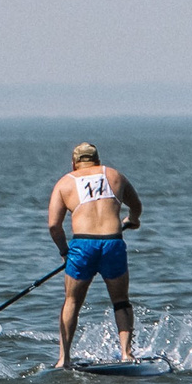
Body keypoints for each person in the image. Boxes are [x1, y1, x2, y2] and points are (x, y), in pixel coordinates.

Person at [45, 142, 142, 370]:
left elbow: (53, 226)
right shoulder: (114, 175)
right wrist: (133, 220)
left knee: (72, 301)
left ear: (74, 163)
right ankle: (126, 354)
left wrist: (64, 252)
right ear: (97, 160)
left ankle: (64, 359)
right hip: (112, 242)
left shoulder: (65, 182)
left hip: (82, 245)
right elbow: (136, 206)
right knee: (121, 301)